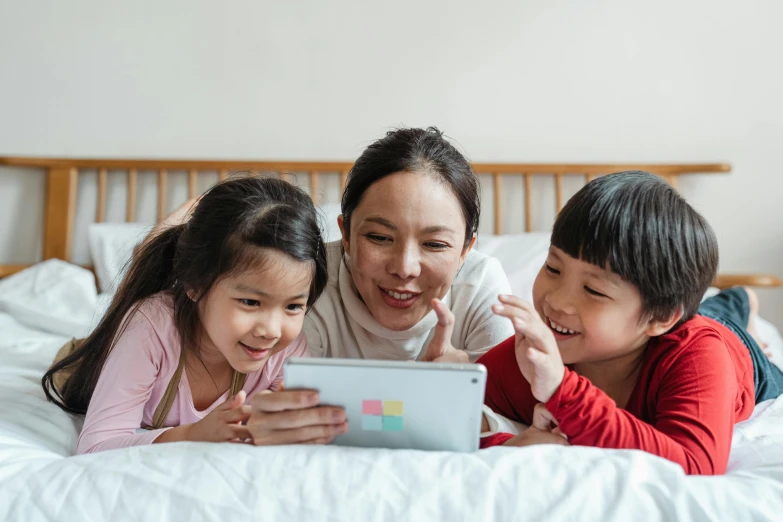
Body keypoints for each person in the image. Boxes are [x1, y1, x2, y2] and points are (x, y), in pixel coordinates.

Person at [478, 171, 783, 474]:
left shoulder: (697, 355)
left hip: (736, 352)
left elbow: (694, 465)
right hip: (678, 322)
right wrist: (510, 445)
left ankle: (743, 300)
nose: (556, 302)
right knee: (709, 309)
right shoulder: (529, 357)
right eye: (553, 268)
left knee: (722, 315)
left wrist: (563, 391)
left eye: (593, 290)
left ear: (661, 317)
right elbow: (457, 419)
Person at [41, 176, 338, 453]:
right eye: (250, 302)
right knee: (133, 297)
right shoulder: (151, 325)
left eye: (293, 306)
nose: (272, 330)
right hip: (87, 356)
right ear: (195, 285)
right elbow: (95, 445)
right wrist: (193, 433)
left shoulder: (285, 348)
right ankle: (163, 232)